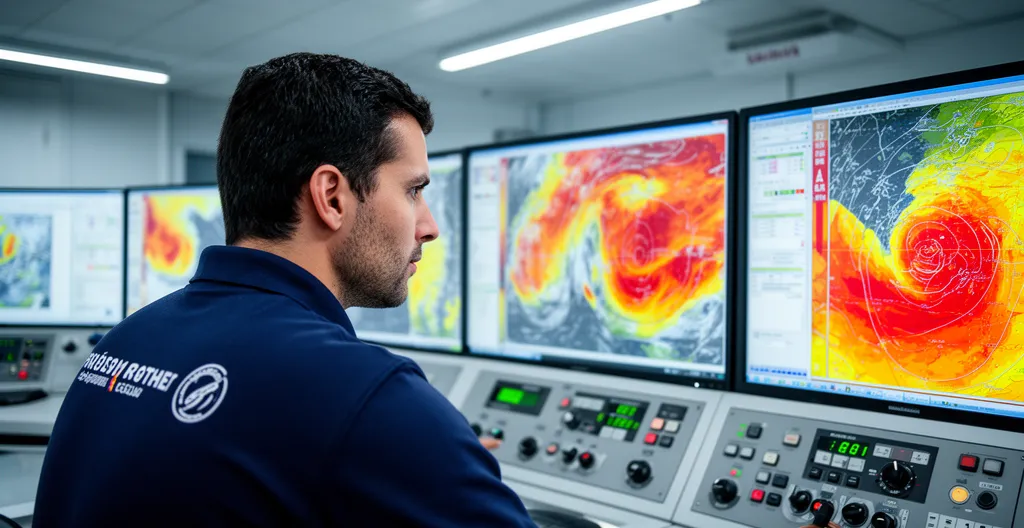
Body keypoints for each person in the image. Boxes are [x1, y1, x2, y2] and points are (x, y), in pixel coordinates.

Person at [33, 52, 535, 527]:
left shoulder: (125, 340)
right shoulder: (369, 398)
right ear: (332, 196)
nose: (428, 227)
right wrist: (430, 451)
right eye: (413, 191)